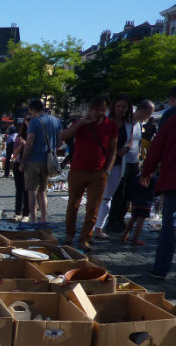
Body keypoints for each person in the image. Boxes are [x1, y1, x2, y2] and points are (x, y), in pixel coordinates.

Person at [59, 94, 118, 251]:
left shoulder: (111, 126)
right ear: (90, 109)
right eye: (96, 109)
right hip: (77, 170)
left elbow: (113, 150)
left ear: (106, 110)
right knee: (73, 204)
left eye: (102, 110)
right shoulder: (81, 123)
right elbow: (64, 136)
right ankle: (69, 234)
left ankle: (85, 238)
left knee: (93, 208)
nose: (99, 113)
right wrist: (82, 122)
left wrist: (108, 170)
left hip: (99, 173)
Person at [104, 100, 155, 235]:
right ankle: (112, 220)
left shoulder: (139, 124)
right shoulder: (128, 121)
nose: (149, 116)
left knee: (129, 194)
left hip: (133, 162)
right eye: (148, 113)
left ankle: (120, 219)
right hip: (123, 161)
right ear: (142, 110)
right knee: (119, 193)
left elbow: (136, 143)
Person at [93, 94, 133, 239]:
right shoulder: (105, 121)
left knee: (107, 197)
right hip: (101, 163)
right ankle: (90, 226)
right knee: (96, 196)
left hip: (117, 164)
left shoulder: (129, 125)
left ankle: (98, 227)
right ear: (113, 107)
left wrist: (126, 148)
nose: (121, 109)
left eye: (124, 107)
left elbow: (130, 141)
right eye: (119, 106)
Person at [19, 99, 62, 224]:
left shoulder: (34, 122)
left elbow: (29, 143)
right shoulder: (56, 120)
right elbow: (61, 141)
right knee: (43, 191)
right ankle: (44, 218)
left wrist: (23, 162)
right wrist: (52, 149)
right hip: (48, 161)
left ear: (33, 110)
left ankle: (34, 219)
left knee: (32, 190)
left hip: (34, 160)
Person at [144, 115, 176, 278]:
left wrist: (147, 171)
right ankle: (161, 267)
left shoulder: (172, 120)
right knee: (169, 225)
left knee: (169, 225)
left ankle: (161, 268)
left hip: (173, 180)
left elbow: (156, 148)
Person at [12, 120, 30, 219]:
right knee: (19, 190)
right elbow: (14, 154)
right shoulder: (19, 137)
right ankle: (18, 212)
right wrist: (22, 145)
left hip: (30, 165)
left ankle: (26, 214)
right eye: (27, 120)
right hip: (18, 164)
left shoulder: (35, 135)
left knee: (27, 190)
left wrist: (27, 144)